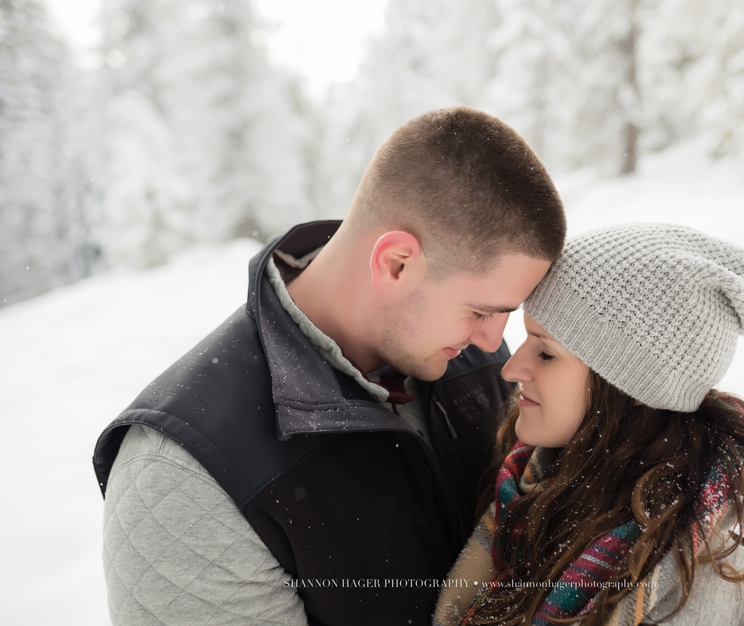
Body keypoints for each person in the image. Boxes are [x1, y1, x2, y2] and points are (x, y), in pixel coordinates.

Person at [92, 106, 566, 626]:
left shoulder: (465, 352)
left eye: (504, 315)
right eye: (479, 312)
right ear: (396, 263)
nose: (495, 342)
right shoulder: (181, 477)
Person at [434, 223, 744, 626]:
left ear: (630, 389)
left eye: (547, 353)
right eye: (526, 338)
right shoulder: (531, 495)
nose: (511, 368)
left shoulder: (687, 593)